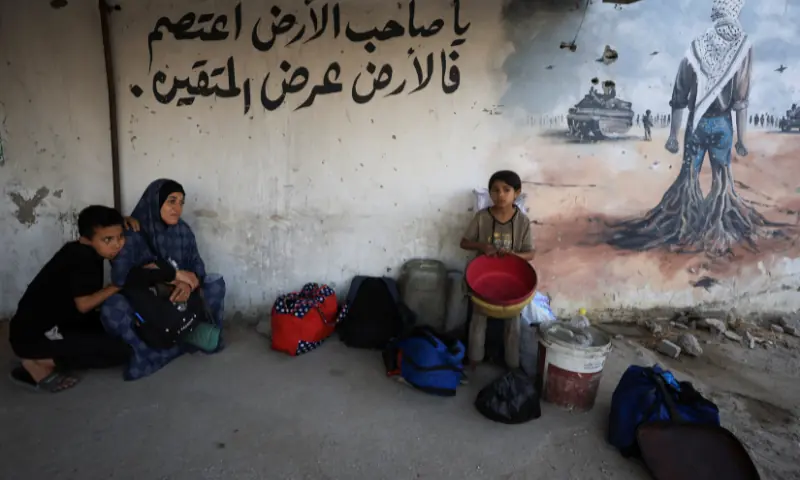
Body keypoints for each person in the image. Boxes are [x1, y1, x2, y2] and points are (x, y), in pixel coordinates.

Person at [100, 179, 226, 381]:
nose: (177, 208)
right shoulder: (131, 233)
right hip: (148, 305)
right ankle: (145, 353)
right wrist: (168, 280)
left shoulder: (183, 232)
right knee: (112, 307)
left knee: (215, 283)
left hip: (181, 302)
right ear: (155, 201)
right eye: (171, 201)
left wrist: (186, 284)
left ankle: (201, 336)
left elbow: (198, 268)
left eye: (181, 203)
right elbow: (122, 278)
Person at [8, 206, 136, 393]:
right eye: (108, 239)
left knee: (118, 328)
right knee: (120, 350)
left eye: (120, 237)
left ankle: (48, 355)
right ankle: (36, 363)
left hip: (53, 324)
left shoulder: (82, 248)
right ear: (87, 237)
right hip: (34, 336)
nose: (117, 244)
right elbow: (84, 305)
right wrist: (117, 286)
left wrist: (120, 222)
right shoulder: (81, 259)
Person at [460, 170, 535, 371]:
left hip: (511, 281)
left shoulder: (523, 221)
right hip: (483, 278)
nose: (500, 195)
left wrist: (512, 254)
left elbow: (531, 254)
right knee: (478, 319)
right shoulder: (482, 217)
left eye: (506, 190)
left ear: (517, 193)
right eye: (495, 190)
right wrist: (483, 247)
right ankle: (473, 361)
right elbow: (464, 243)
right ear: (490, 193)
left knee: (513, 323)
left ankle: (512, 365)